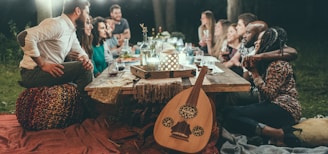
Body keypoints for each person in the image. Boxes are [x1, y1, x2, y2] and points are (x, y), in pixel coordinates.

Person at [16, 0, 97, 118]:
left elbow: (79, 51)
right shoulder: (57, 24)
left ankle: (84, 109)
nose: (87, 17)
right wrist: (43, 64)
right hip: (33, 73)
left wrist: (86, 59)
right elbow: (24, 36)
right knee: (82, 69)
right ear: (78, 11)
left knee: (84, 66)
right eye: (86, 12)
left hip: (48, 72)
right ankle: (92, 113)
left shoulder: (70, 30)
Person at [223, 27, 301, 146]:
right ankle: (269, 135)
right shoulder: (268, 62)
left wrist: (254, 73)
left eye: (259, 40)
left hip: (284, 109)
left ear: (268, 43)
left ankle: (277, 133)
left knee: (230, 114)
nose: (256, 42)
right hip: (274, 105)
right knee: (230, 112)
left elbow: (268, 94)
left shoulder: (278, 64)